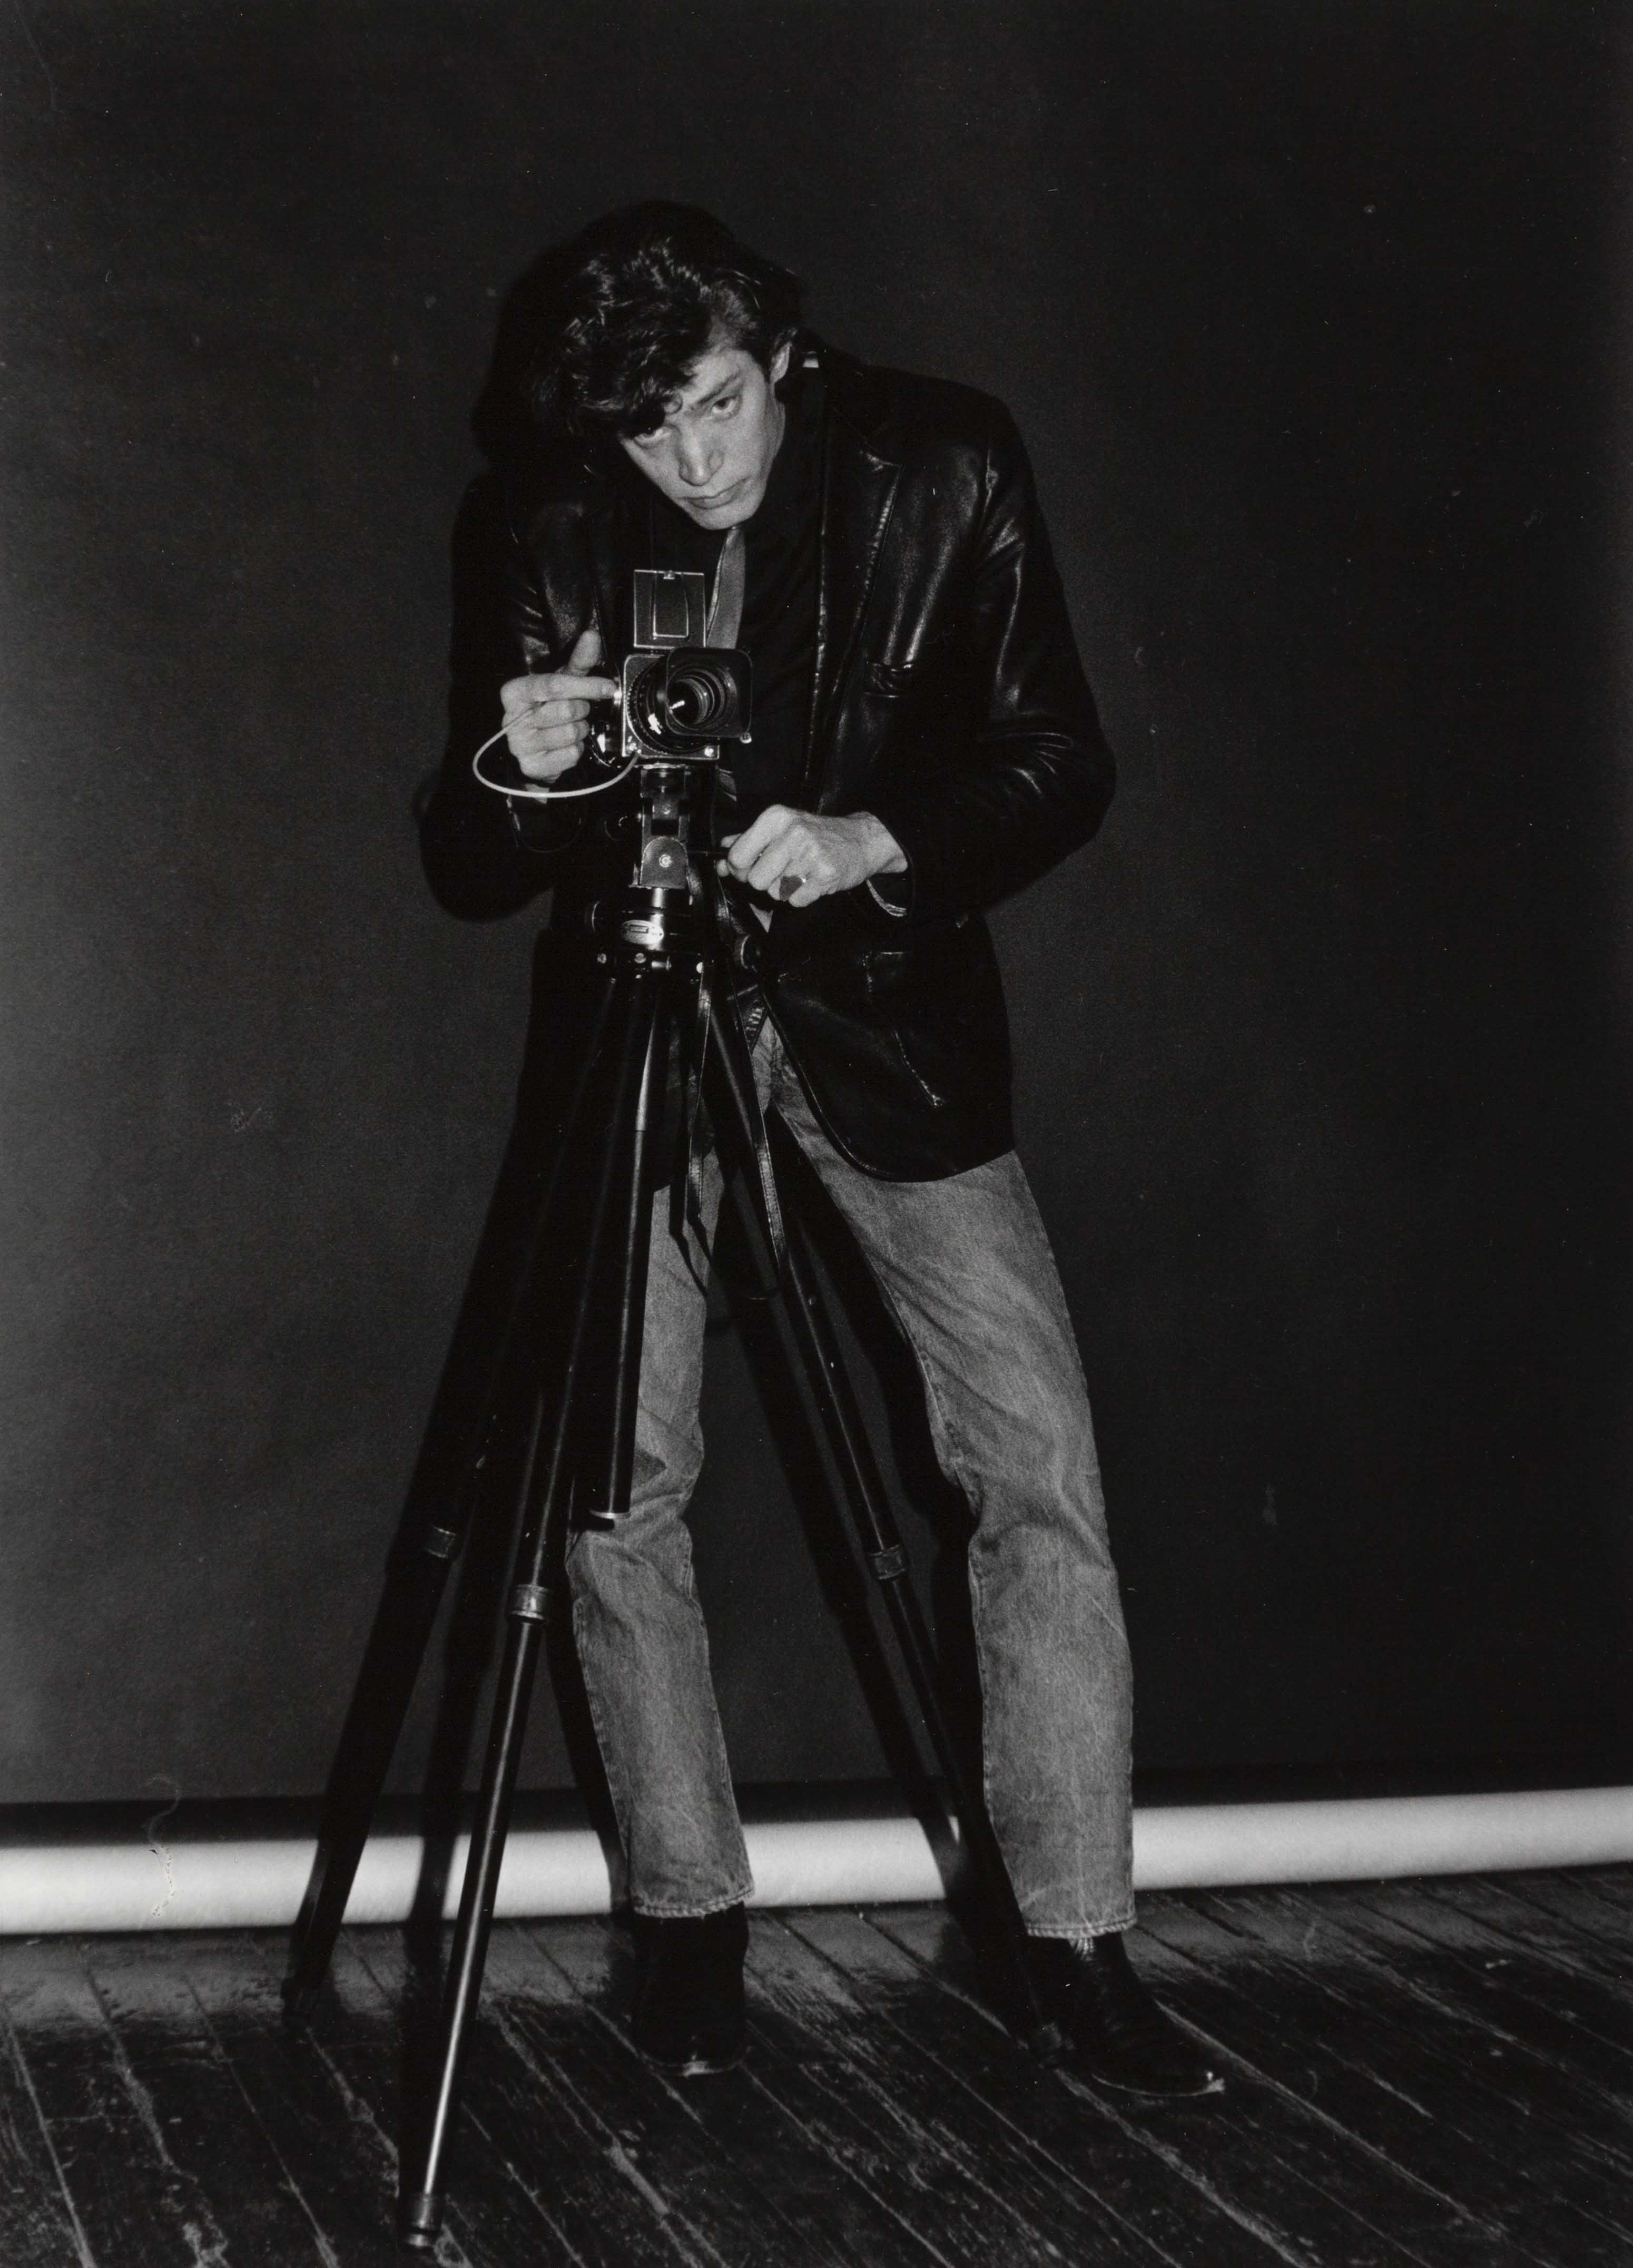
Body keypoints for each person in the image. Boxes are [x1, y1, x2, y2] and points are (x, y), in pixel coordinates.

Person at [421, 203, 1216, 2097]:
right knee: (616, 1488)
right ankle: (688, 1933)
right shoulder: (543, 514)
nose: (693, 466)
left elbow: (1057, 755)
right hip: (639, 1023)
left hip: (884, 1021)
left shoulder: (939, 462)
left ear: (776, 352)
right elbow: (469, 862)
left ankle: (1080, 1942)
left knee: (1033, 1466)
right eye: (647, 437)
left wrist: (876, 843)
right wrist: (522, 769)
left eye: (714, 407)